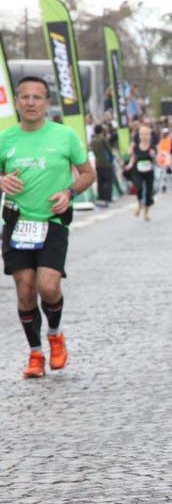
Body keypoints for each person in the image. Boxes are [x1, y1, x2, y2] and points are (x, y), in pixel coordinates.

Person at [0, 76, 95, 378]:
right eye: (25, 97)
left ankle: (55, 334)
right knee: (26, 292)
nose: (30, 103)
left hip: (53, 222)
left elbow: (87, 173)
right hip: (17, 222)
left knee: (48, 286)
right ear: (17, 102)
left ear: (47, 103)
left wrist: (69, 192)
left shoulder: (64, 136)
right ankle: (35, 354)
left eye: (37, 97)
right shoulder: (5, 139)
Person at [126, 125, 156, 221]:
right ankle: (139, 204)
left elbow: (156, 161)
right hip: (137, 171)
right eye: (142, 134)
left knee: (148, 193)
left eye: (146, 134)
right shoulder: (136, 146)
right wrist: (130, 164)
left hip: (149, 172)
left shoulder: (152, 147)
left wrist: (154, 156)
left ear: (150, 135)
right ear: (139, 136)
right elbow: (133, 157)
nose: (144, 136)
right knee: (138, 188)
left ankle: (146, 213)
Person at [90, 124, 113, 208]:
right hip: (106, 163)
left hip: (98, 163)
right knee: (108, 181)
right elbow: (109, 150)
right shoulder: (102, 139)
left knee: (100, 182)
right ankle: (108, 198)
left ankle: (101, 198)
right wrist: (111, 160)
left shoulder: (92, 141)